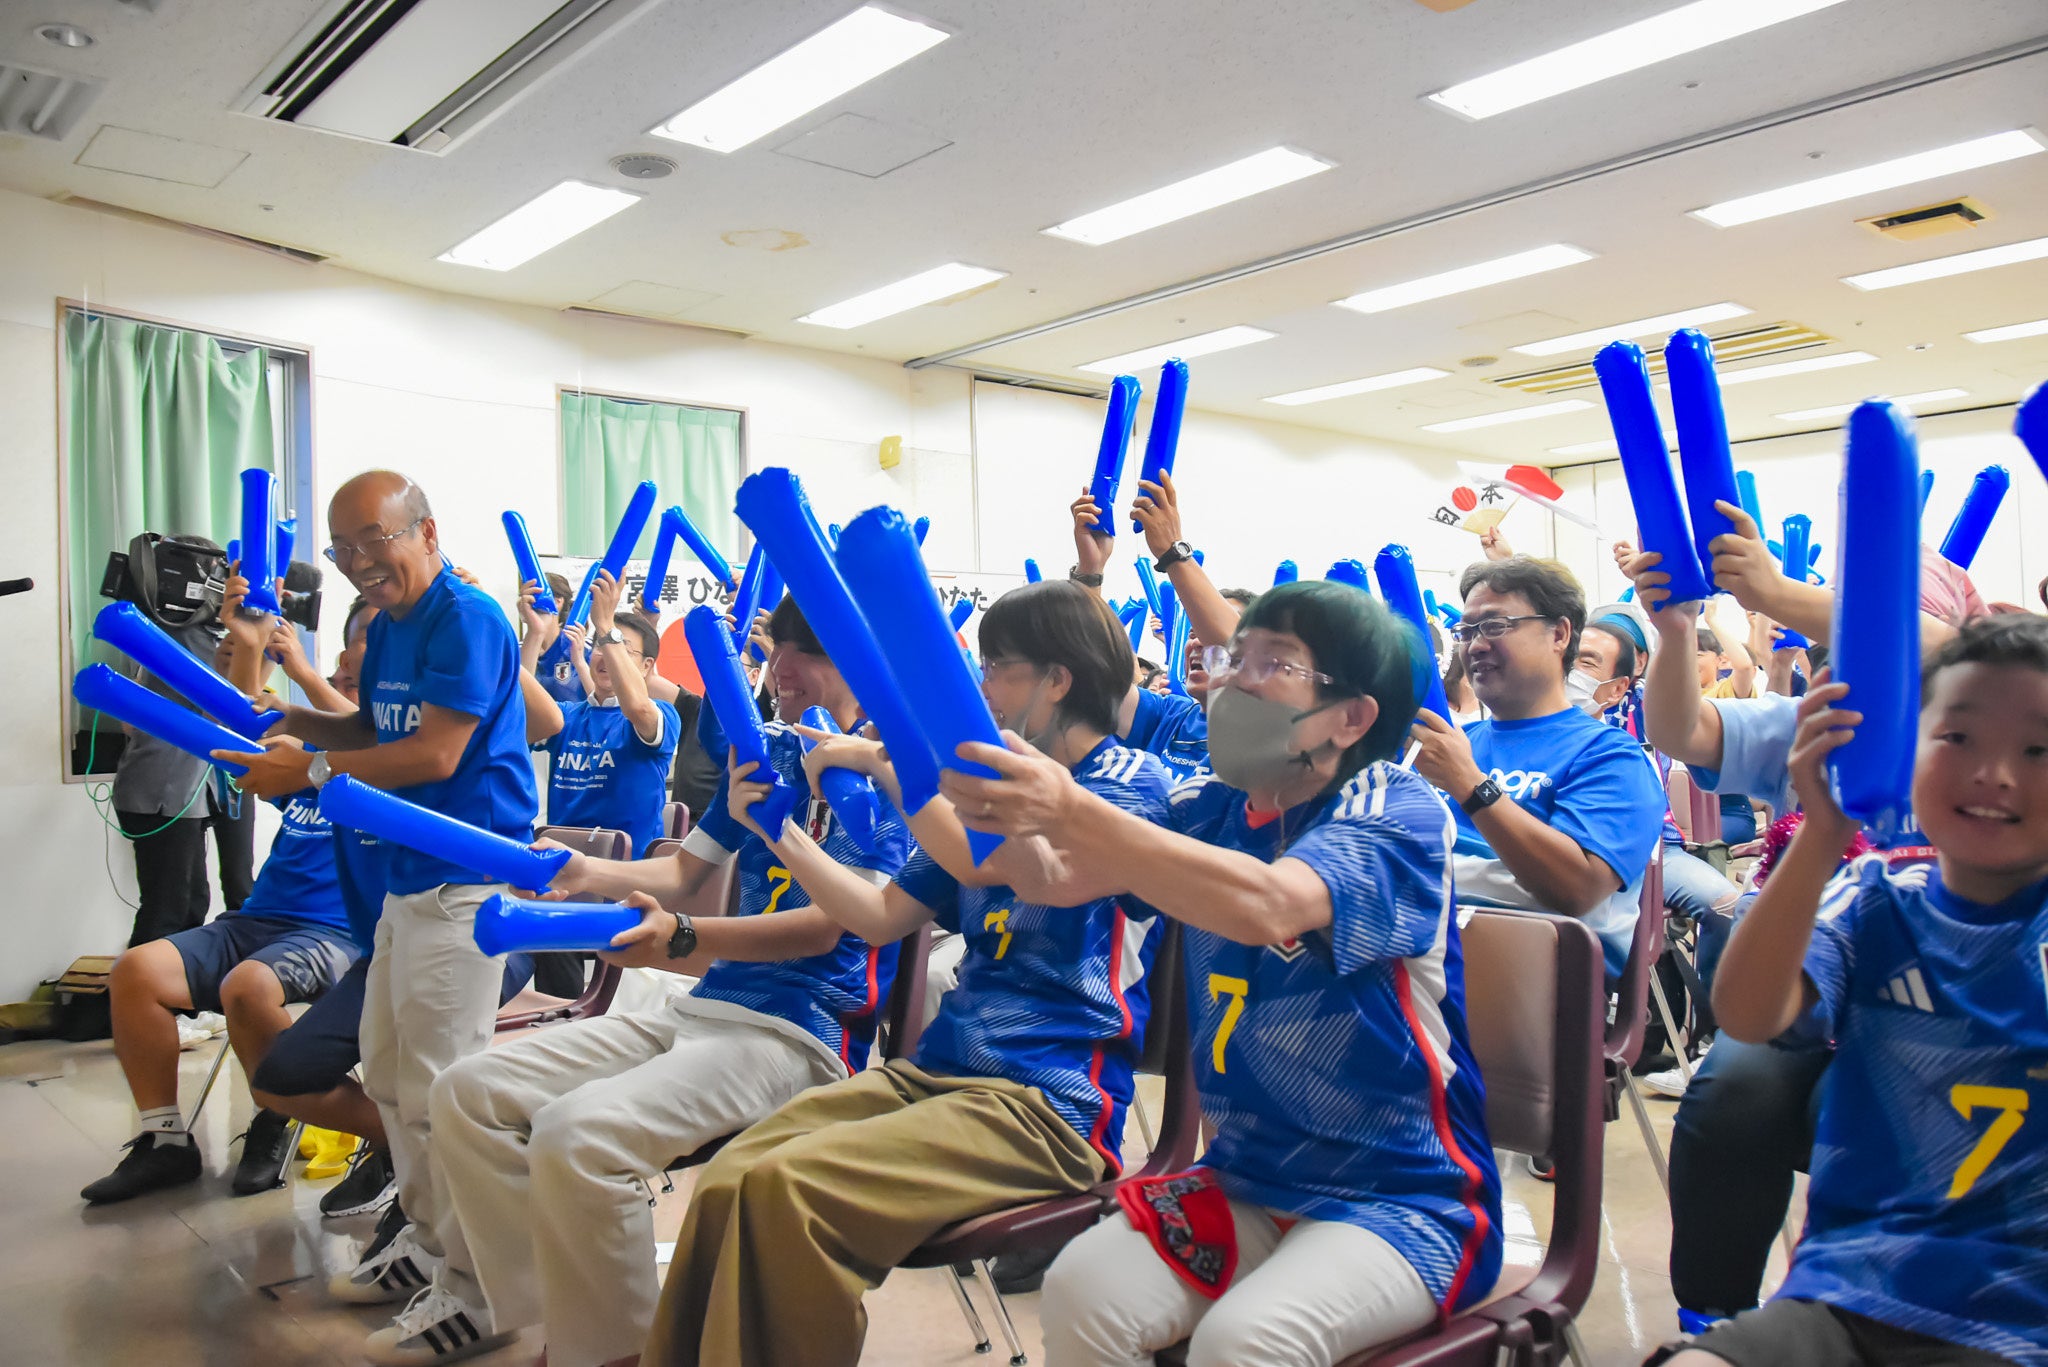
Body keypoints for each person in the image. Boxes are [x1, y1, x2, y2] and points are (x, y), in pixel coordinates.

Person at [943, 579, 1500, 1367]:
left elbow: (1272, 904)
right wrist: (991, 801)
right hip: (1247, 1175)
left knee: (1243, 1344)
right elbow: (1052, 879)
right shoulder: (1208, 803)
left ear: (1352, 715)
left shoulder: (1396, 808)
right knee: (1082, 1288)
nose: (1233, 676)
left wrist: (1068, 807)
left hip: (1405, 1195)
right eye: (1236, 655)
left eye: (1273, 661)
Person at [645, 579, 1172, 1367]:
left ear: (1059, 679)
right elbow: (878, 914)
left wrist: (896, 769)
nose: (981, 687)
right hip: (939, 1075)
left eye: (997, 667)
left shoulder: (1130, 783)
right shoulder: (983, 797)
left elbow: (1019, 868)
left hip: (1046, 1103)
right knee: (731, 1174)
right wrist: (781, 831)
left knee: (791, 1192)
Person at [426, 593, 910, 1367]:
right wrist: (589, 871)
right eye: (777, 647)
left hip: (802, 1036)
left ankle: (615, 1350)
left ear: (860, 665)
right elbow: (686, 870)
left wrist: (679, 937)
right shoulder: (767, 756)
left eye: (806, 653)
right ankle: (560, 1316)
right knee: (465, 1092)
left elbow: (826, 927)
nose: (780, 668)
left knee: (574, 1135)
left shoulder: (891, 776)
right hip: (708, 1006)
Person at [224, 471, 562, 1364]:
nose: (361, 565)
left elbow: (436, 750)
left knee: (451, 1092)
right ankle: (428, 1242)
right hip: (405, 886)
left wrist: (310, 773)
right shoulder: (392, 630)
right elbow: (371, 729)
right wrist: (287, 719)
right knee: (393, 1082)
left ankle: (485, 1288)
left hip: (467, 882)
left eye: (376, 540)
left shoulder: (468, 616)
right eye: (344, 552)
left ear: (426, 531)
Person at [1654, 615, 2048, 1367]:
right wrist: (1822, 834)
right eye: (1958, 739)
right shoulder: (1872, 896)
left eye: (2038, 749)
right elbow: (1746, 1011)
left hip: (2021, 1317)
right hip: (1847, 1295)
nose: (1995, 772)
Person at [81, 571, 362, 1206]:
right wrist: (246, 640)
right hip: (258, 920)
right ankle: (165, 1142)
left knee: (250, 985)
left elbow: (367, 736)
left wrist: (307, 678)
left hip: (336, 932)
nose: (344, 679)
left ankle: (275, 1115)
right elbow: (244, 726)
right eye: (341, 669)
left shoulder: (390, 756)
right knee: (135, 972)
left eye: (357, 676)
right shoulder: (301, 742)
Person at [1407, 557, 1666, 979]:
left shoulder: (1610, 756)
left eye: (1494, 626)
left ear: (1559, 634)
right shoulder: (1455, 744)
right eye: (1466, 632)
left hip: (1530, 978)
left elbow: (1577, 889)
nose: (1474, 645)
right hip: (1420, 947)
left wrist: (1470, 785)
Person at [1068, 481, 1212, 781]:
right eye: (1193, 632)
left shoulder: (1273, 732)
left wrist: (1173, 552)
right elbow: (1091, 681)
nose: (1198, 641)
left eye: (1211, 632)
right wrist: (1089, 571)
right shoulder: (1169, 718)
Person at [533, 570, 680, 858]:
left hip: (628, 876)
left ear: (647, 666)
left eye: (622, 647)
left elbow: (637, 707)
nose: (605, 654)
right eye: (600, 645)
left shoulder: (664, 714)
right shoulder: (568, 715)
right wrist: (536, 634)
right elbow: (517, 706)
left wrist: (604, 625)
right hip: (561, 872)